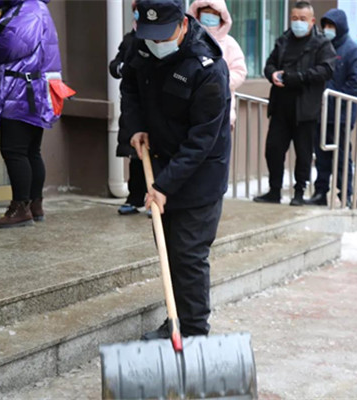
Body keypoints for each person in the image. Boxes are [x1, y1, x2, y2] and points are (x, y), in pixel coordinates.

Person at [122, 0, 231, 338]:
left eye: (163, 35)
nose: (156, 43)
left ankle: (195, 331)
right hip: (161, 161)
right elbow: (130, 89)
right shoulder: (142, 46)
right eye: (150, 35)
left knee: (188, 254)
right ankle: (176, 321)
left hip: (200, 175)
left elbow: (202, 140)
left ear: (183, 23)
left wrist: (164, 186)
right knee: (168, 250)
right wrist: (135, 127)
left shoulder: (209, 68)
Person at [0, 0, 62, 229]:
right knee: (30, 151)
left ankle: (20, 209)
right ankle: (33, 204)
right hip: (30, 91)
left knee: (14, 150)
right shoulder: (34, 7)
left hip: (20, 92)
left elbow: (10, 45)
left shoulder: (29, 9)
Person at [253, 1, 336, 206]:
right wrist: (272, 74)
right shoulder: (283, 40)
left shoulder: (321, 44)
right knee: (273, 149)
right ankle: (274, 190)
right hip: (280, 107)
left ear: (312, 21)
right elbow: (269, 64)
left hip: (305, 109)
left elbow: (326, 70)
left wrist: (298, 77)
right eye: (294, 18)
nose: (298, 22)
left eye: (302, 19)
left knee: (304, 154)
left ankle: (299, 192)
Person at [305, 8, 357, 207]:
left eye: (332, 26)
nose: (328, 30)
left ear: (340, 27)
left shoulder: (353, 51)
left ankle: (345, 195)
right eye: (326, 26)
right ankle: (321, 192)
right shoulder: (320, 48)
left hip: (341, 114)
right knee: (321, 155)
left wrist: (332, 95)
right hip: (319, 112)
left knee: (341, 157)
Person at [110, 13, 148, 216]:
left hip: (156, 108)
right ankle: (135, 198)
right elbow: (115, 65)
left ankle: (156, 198)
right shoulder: (129, 39)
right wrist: (121, 68)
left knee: (157, 157)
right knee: (136, 156)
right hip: (133, 109)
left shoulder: (159, 40)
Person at [187, 0, 247, 127]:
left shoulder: (229, 43)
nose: (209, 18)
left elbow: (240, 71)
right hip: (189, 110)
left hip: (221, 110)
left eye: (214, 14)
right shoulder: (188, 40)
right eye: (206, 13)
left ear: (221, 17)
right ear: (197, 14)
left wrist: (219, 82)